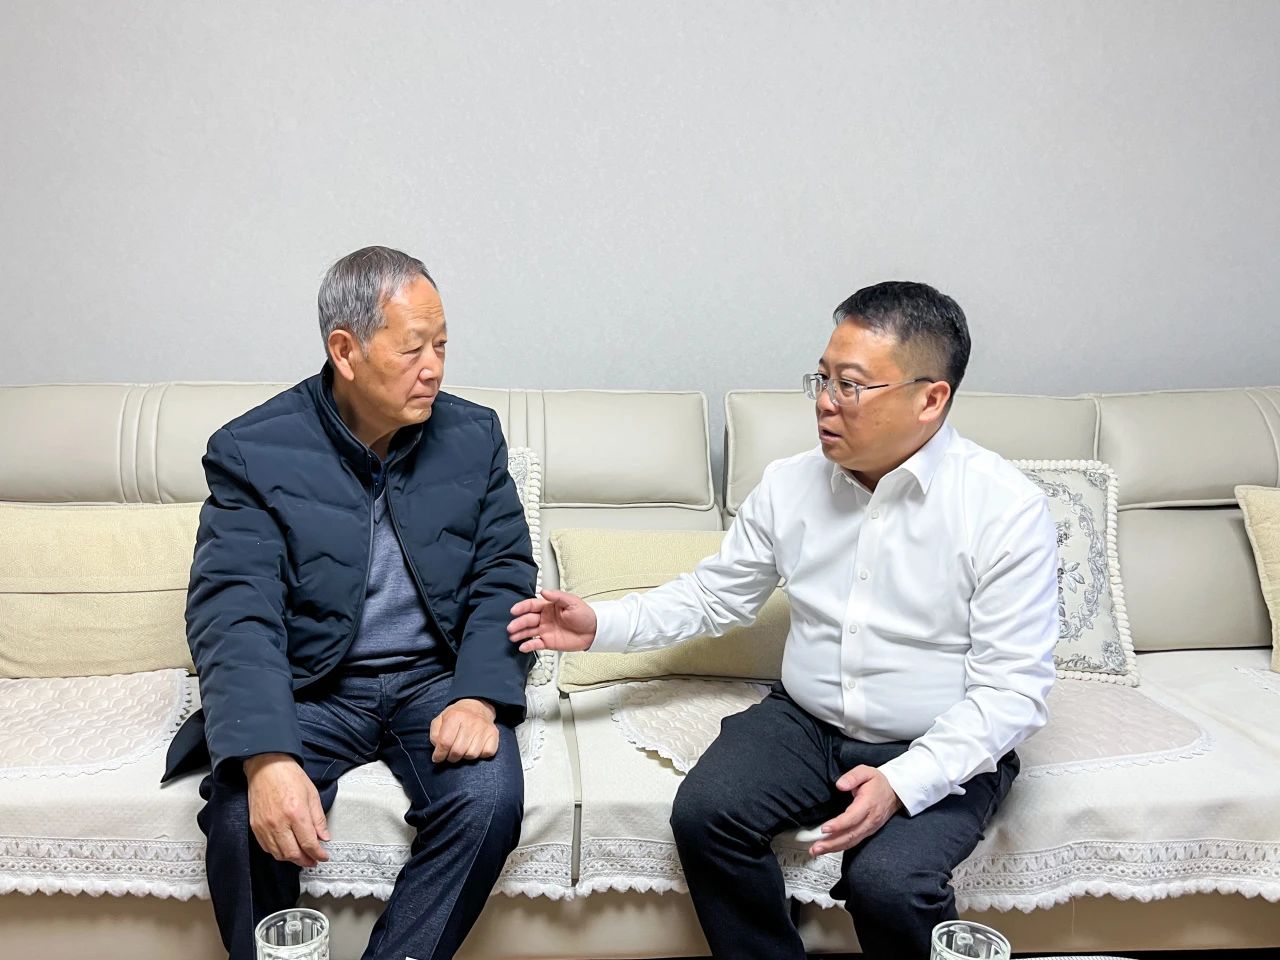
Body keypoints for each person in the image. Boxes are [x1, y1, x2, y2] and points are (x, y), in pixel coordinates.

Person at [508, 281, 1059, 960]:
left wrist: (904, 781)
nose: (825, 402)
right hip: (806, 721)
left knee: (889, 883)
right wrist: (601, 625)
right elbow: (714, 596)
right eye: (822, 379)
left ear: (930, 399)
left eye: (850, 385)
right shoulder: (790, 484)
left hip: (938, 735)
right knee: (707, 815)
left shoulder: (1004, 509)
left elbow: (1012, 693)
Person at [165, 245, 536, 960]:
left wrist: (479, 696)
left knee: (488, 800)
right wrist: (266, 756)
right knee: (242, 822)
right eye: (413, 348)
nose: (434, 367)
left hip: (435, 679)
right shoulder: (252, 450)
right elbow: (234, 610)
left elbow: (504, 573)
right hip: (312, 686)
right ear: (346, 350)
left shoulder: (474, 436)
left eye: (442, 345)